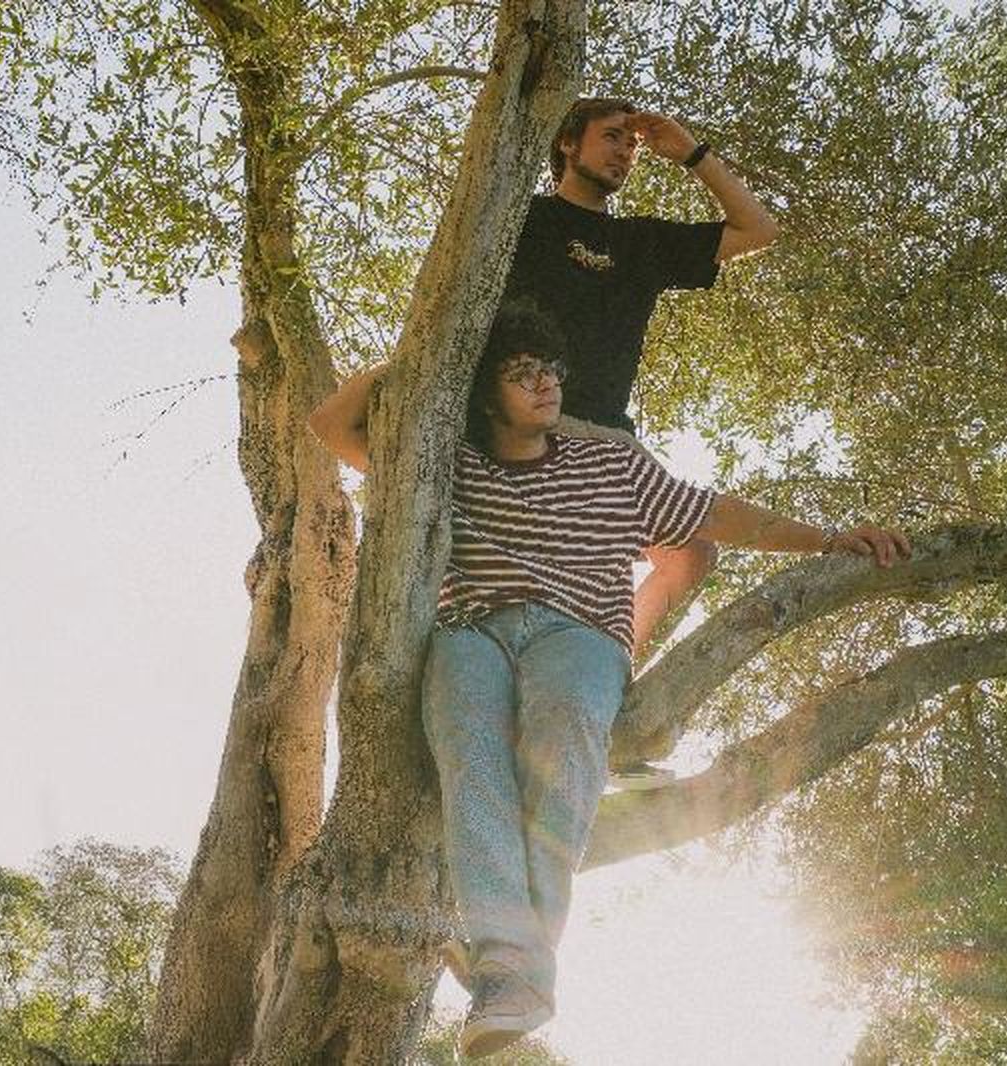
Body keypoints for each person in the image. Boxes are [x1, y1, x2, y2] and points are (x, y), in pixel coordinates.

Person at [307, 304, 908, 1059]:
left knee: (563, 748)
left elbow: (717, 515)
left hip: (579, 632)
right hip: (472, 632)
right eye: (520, 372)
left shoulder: (609, 460)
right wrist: (423, 355)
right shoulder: (449, 459)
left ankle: (514, 974)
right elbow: (332, 427)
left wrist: (825, 537)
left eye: (550, 370)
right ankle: (507, 970)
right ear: (484, 391)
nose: (545, 384)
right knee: (471, 764)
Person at [508, 96, 780, 654]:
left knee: (692, 553)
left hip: (608, 438)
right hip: (532, 426)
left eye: (632, 145)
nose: (626, 152)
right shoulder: (524, 220)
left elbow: (758, 229)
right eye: (612, 136)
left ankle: (611, 664)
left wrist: (691, 152)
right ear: (567, 143)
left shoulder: (642, 243)